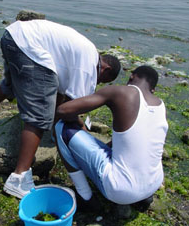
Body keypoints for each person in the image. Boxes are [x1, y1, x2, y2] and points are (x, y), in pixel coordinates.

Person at [0, 19, 121, 199]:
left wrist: (58, 117)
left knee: (13, 83)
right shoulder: (89, 68)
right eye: (103, 80)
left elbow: (60, 96)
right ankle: (18, 178)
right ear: (106, 69)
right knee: (39, 116)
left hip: (14, 36)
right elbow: (69, 110)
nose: (97, 84)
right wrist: (82, 130)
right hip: (31, 47)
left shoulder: (85, 52)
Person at [54, 65, 168, 209]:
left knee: (61, 128)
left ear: (132, 76)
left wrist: (78, 122)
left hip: (121, 191)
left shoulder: (120, 92)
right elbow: (136, 138)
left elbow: (63, 110)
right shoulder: (160, 105)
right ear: (153, 90)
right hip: (154, 183)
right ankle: (143, 198)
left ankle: (86, 197)